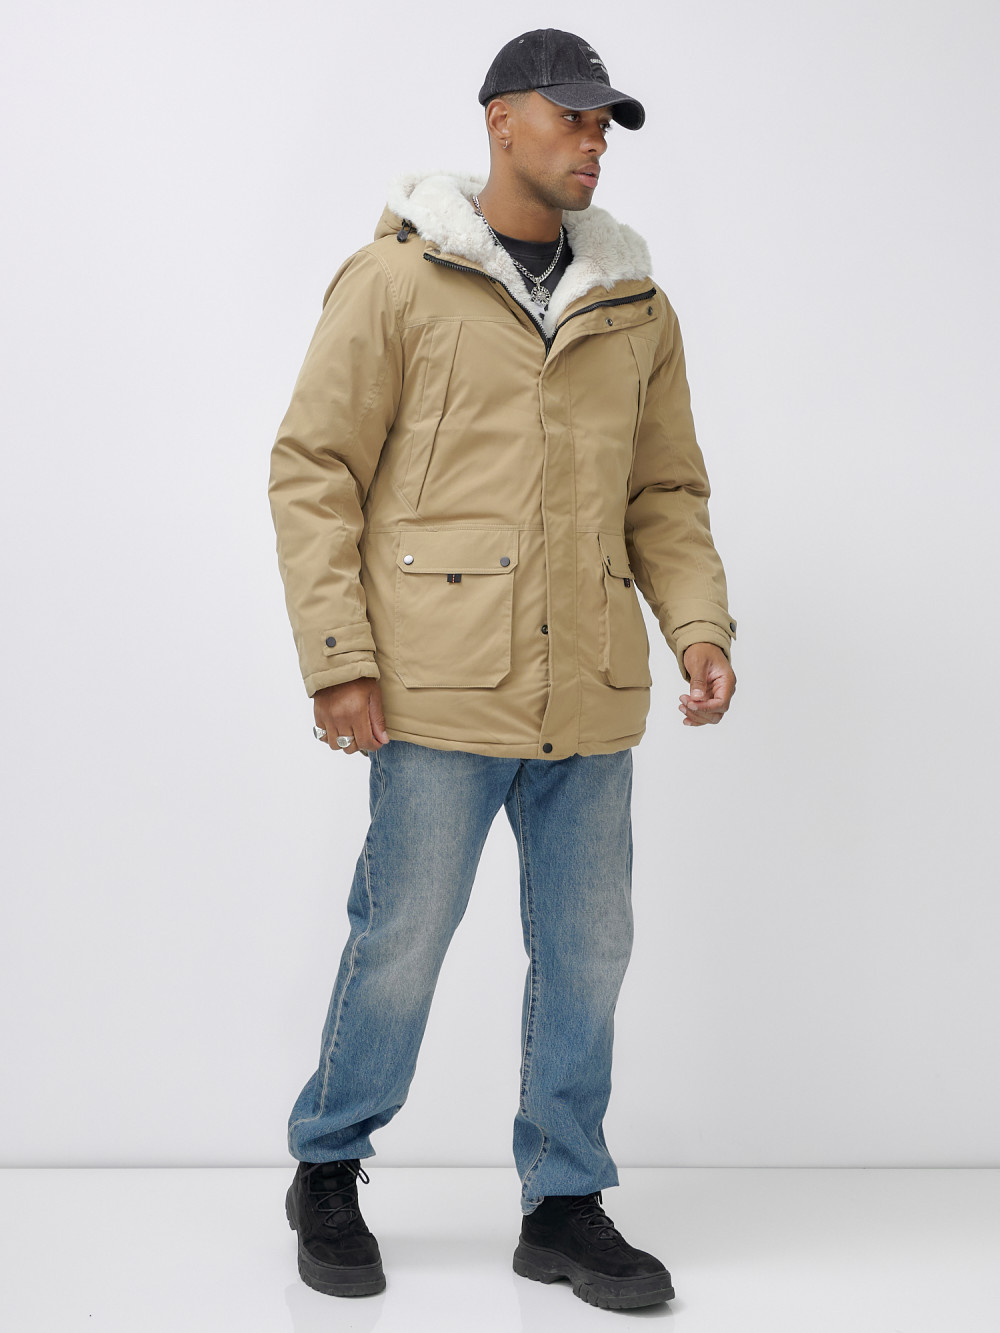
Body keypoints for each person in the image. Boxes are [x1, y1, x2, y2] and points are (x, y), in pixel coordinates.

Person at [268, 27, 737, 1312]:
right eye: (570, 117)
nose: (592, 142)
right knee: (401, 941)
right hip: (435, 687)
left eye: (603, 125)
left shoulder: (634, 307)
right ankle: (327, 1163)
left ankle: (564, 1201)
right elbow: (315, 469)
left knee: (587, 955)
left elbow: (664, 491)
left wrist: (698, 627)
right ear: (500, 121)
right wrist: (338, 657)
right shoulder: (395, 280)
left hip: (589, 693)